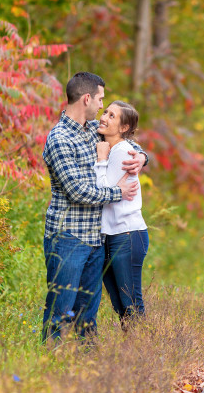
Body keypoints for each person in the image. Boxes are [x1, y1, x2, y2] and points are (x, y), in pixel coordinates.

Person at [41, 72, 147, 342]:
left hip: (95, 239)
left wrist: (143, 157)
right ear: (86, 98)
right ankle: (50, 366)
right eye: (100, 100)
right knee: (60, 309)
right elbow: (77, 191)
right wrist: (118, 192)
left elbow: (127, 142)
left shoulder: (92, 130)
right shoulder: (59, 138)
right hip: (68, 237)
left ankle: (87, 368)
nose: (102, 107)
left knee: (87, 316)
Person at [94, 101, 149, 323]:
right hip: (111, 236)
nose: (104, 117)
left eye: (112, 116)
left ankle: (143, 352)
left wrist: (101, 159)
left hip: (127, 235)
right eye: (105, 111)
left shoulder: (122, 152)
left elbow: (103, 190)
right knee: (120, 304)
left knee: (131, 304)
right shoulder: (113, 146)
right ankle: (133, 352)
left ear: (124, 127)